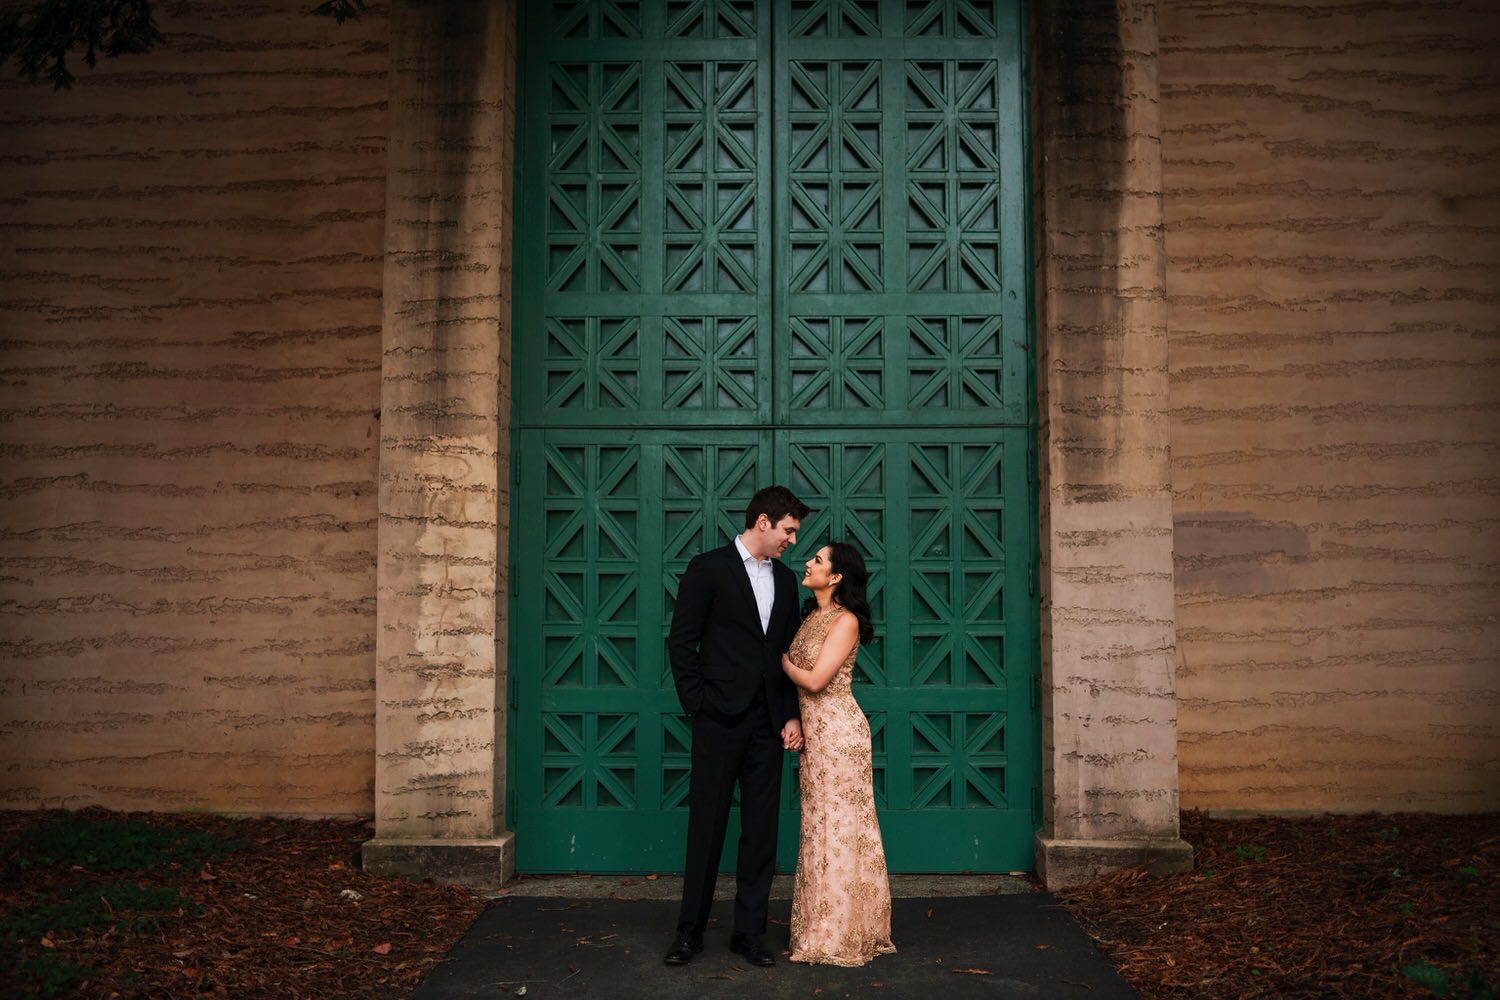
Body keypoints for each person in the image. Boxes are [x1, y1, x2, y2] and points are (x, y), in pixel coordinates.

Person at [664, 485, 811, 967]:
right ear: (764, 522)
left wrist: (790, 712)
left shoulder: (788, 581)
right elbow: (682, 641)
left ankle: (749, 932)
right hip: (717, 719)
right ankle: (690, 929)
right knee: (706, 824)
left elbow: (785, 653)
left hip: (768, 722)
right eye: (789, 530)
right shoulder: (707, 567)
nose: (793, 540)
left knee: (761, 830)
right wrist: (698, 704)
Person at [780, 540, 896, 967]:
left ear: (836, 576)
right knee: (817, 826)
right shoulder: (813, 616)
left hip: (840, 733)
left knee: (842, 827)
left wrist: (780, 661)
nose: (807, 564)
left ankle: (841, 933)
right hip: (815, 733)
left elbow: (815, 680)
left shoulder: (844, 620)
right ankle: (819, 927)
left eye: (817, 560)